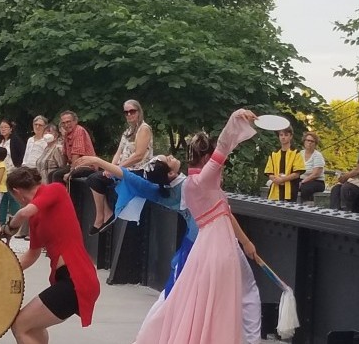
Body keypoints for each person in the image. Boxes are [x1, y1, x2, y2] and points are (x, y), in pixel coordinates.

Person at [74, 153, 261, 341]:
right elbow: (224, 212)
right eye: (168, 159)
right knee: (243, 291)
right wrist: (245, 242)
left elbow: (128, 176)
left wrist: (98, 161)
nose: (172, 156)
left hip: (197, 246)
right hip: (213, 245)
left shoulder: (159, 190)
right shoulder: (194, 186)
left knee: (174, 297)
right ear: (171, 174)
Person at [135, 109, 262, 344]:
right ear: (206, 159)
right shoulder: (206, 181)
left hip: (204, 248)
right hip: (220, 248)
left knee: (197, 302)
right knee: (225, 303)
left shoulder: (190, 186)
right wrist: (235, 118)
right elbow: (224, 146)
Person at [0, 167, 100, 343]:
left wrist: (8, 228)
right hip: (67, 280)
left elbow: (24, 212)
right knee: (32, 327)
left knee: (21, 326)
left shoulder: (54, 190)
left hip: (77, 279)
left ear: (16, 192)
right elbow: (31, 255)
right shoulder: (35, 218)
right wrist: (3, 271)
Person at [86, 100, 152, 235]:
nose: (129, 114)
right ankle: (103, 214)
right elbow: (118, 152)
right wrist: (110, 166)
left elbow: (139, 155)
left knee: (96, 178)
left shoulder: (144, 129)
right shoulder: (128, 131)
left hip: (137, 170)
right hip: (123, 169)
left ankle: (104, 215)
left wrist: (116, 168)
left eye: (132, 111)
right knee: (94, 179)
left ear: (139, 112)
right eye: (126, 112)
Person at [50, 110, 96, 183]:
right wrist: (62, 168)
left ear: (75, 121)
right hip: (77, 165)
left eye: (68, 122)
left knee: (57, 175)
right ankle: (53, 193)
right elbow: (65, 154)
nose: (66, 125)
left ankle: (61, 194)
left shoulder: (79, 131)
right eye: (63, 123)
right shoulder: (67, 134)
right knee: (52, 173)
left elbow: (76, 154)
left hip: (88, 166)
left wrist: (70, 172)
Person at [264, 126, 305, 202]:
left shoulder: (296, 153)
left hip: (291, 188)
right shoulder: (274, 154)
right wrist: (275, 179)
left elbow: (296, 174)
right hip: (275, 188)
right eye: (281, 135)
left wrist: (282, 179)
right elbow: (269, 172)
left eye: (286, 135)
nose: (283, 137)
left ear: (291, 136)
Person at [299, 131, 326, 205]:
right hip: (302, 179)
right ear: (304, 141)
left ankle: (307, 206)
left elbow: (315, 174)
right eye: (308, 140)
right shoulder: (300, 153)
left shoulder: (317, 155)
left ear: (315, 144)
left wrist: (303, 181)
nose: (309, 143)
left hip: (317, 181)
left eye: (312, 141)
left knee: (306, 188)